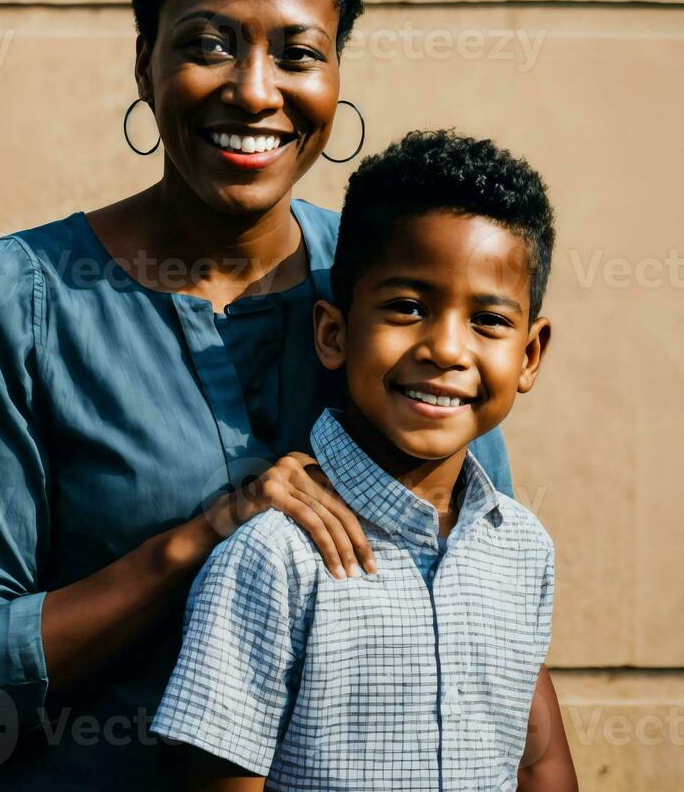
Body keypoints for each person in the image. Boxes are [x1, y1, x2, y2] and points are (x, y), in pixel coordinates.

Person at [0, 0, 537, 790]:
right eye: (208, 43)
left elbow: (481, 598)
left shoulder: (398, 293)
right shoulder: (24, 298)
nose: (255, 91)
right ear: (143, 61)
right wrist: (205, 534)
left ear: (335, 75)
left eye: (298, 52)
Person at [152, 131, 579, 791]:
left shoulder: (522, 548)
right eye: (407, 308)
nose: (445, 348)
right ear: (332, 333)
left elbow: (535, 756)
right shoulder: (273, 558)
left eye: (487, 321)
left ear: (528, 356)